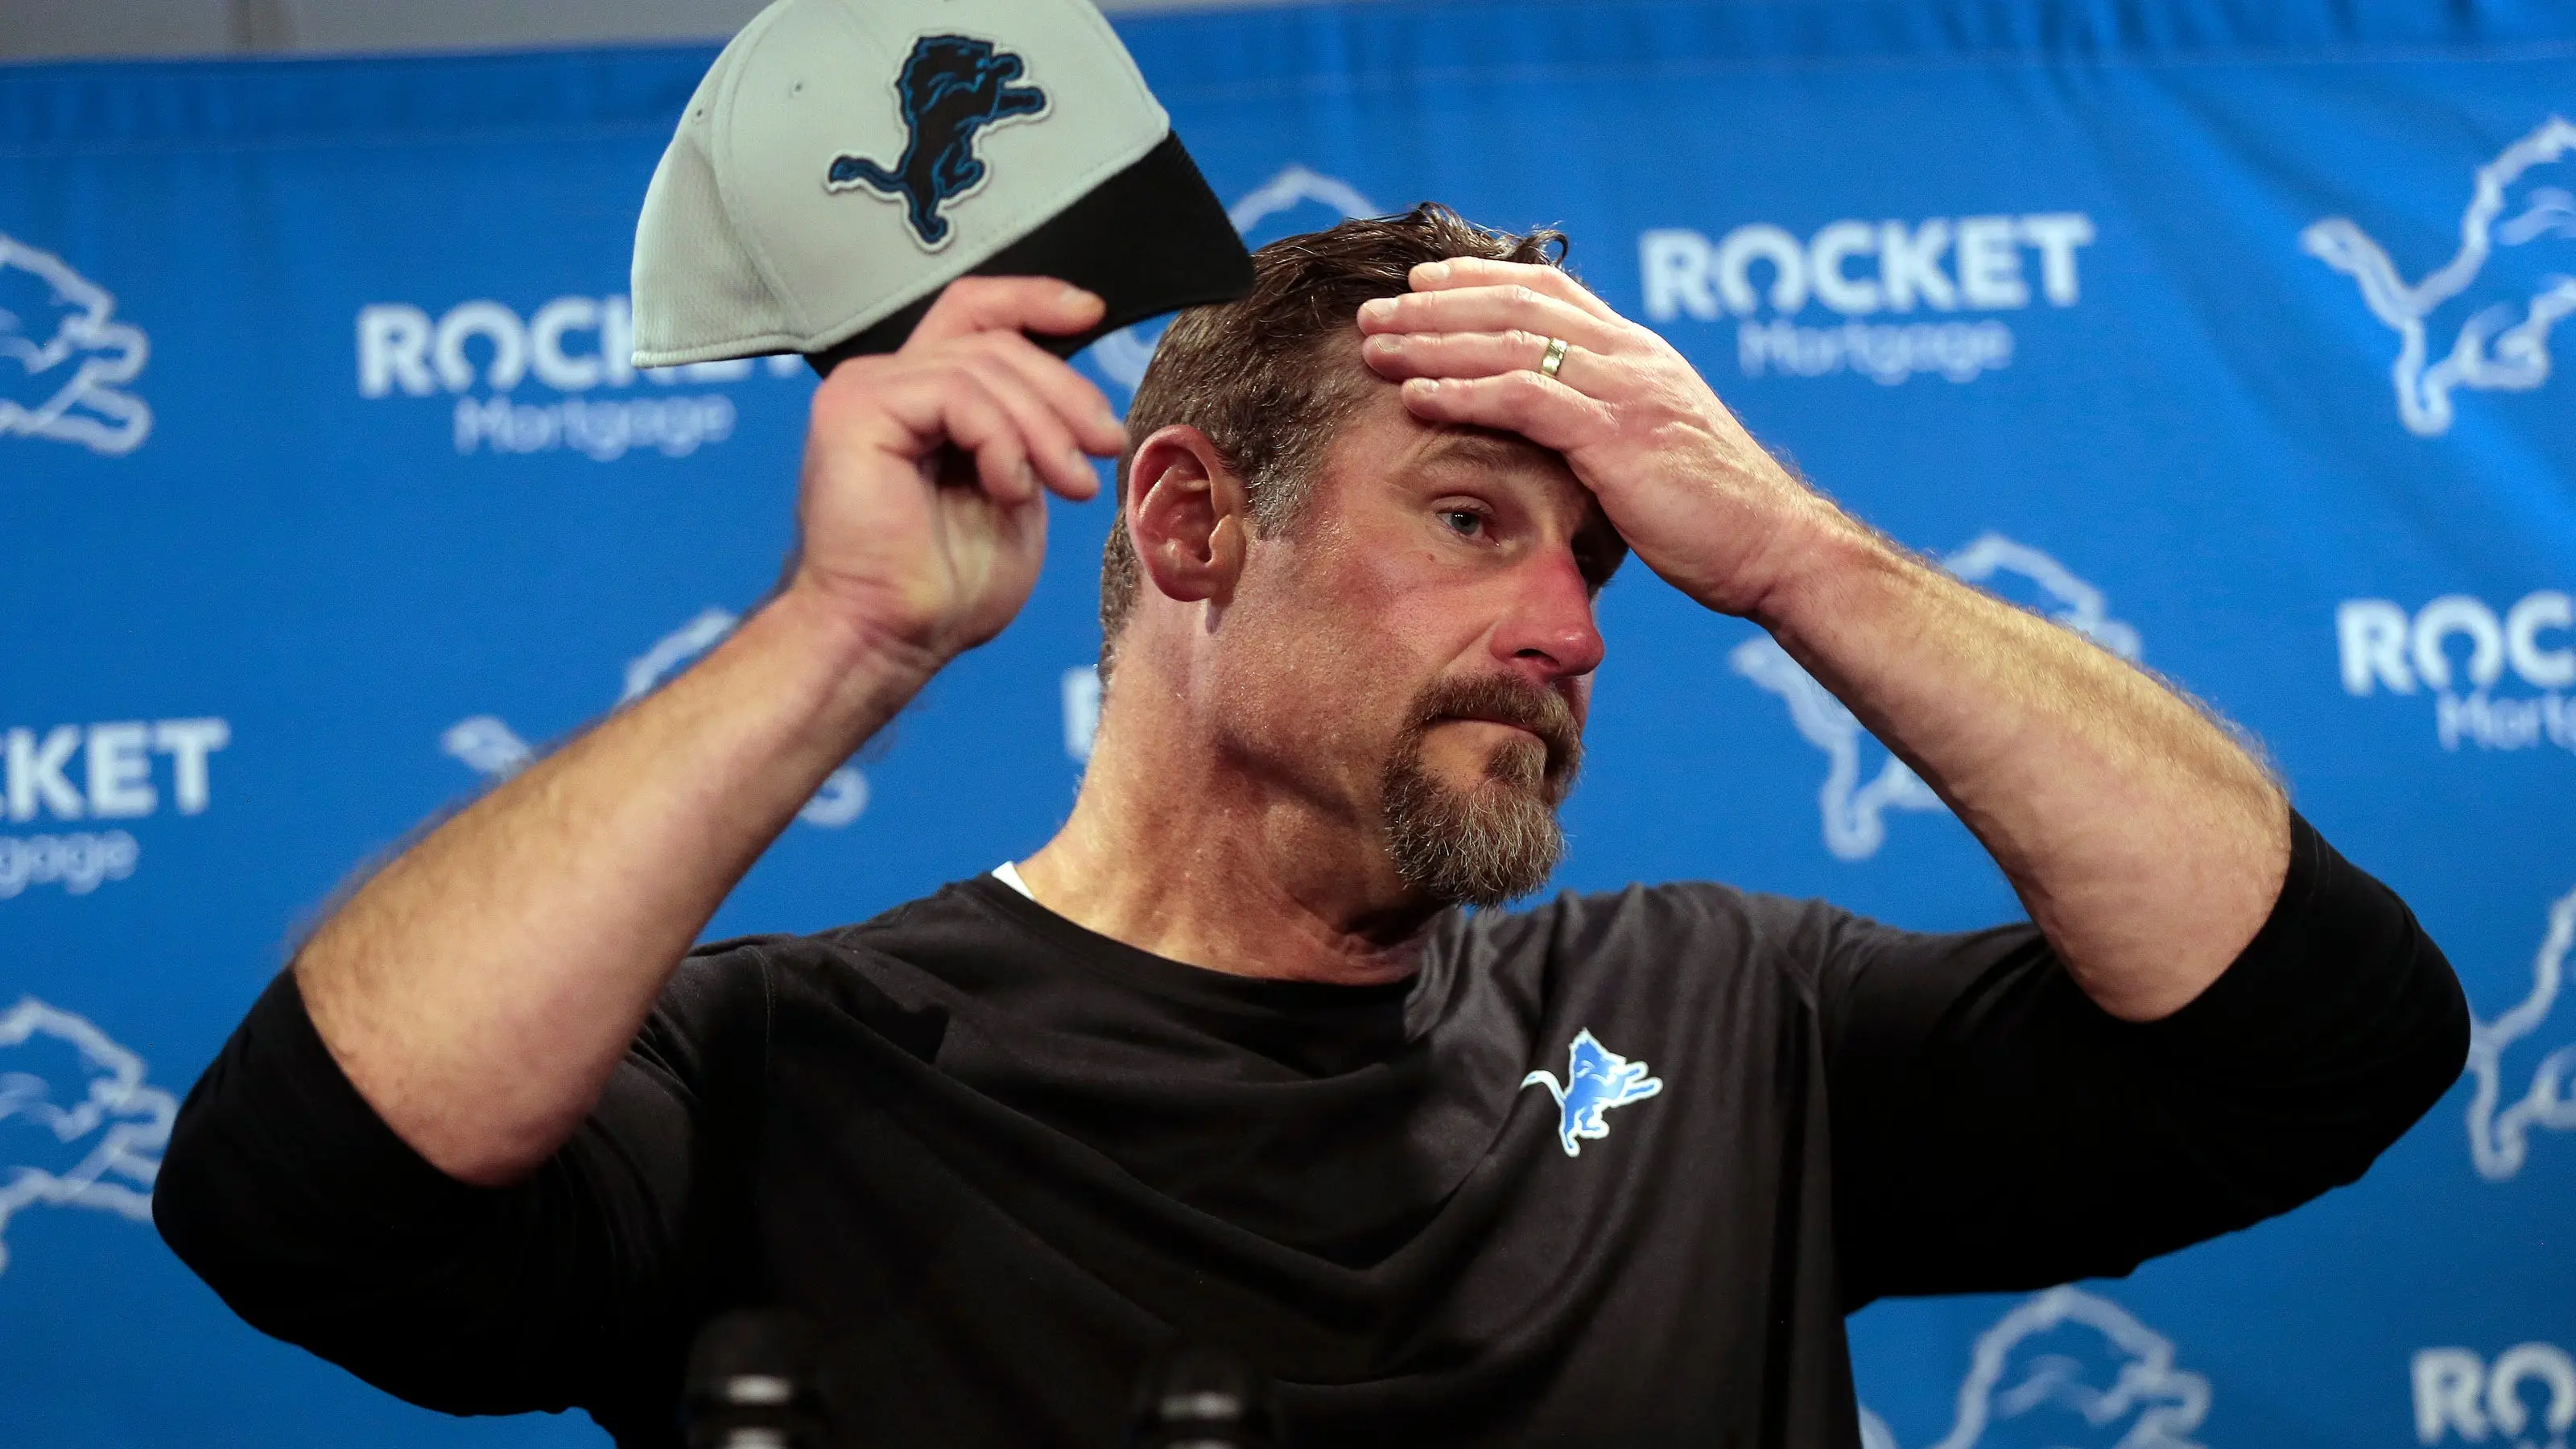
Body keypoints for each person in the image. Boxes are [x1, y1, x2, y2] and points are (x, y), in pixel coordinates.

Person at [155, 207, 2468, 1449]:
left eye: (1607, 559)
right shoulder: (794, 1068)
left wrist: (1792, 554)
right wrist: (840, 636)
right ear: (1187, 526)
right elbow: (297, 1202)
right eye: (1473, 520)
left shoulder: (1724, 1021)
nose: (1571, 629)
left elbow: (2324, 1041)